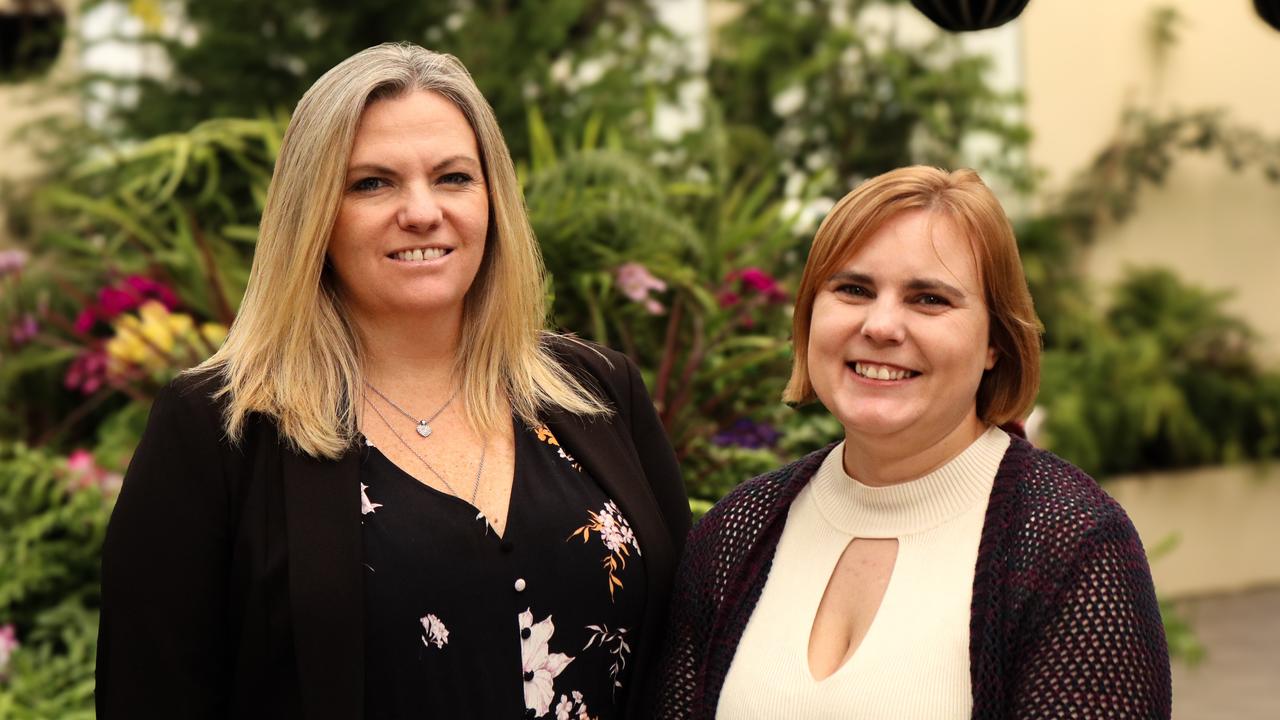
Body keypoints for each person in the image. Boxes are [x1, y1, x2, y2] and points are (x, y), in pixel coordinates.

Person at [96, 43, 689, 720]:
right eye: (372, 183)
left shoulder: (598, 392)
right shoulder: (218, 430)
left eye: (454, 178)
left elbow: (686, 655)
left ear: (494, 198)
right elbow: (149, 694)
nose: (421, 211)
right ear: (313, 214)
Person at [654, 166, 1171, 718]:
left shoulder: (1072, 546)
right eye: (853, 289)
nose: (881, 326)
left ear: (996, 340)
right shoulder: (736, 533)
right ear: (809, 314)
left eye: (928, 299)